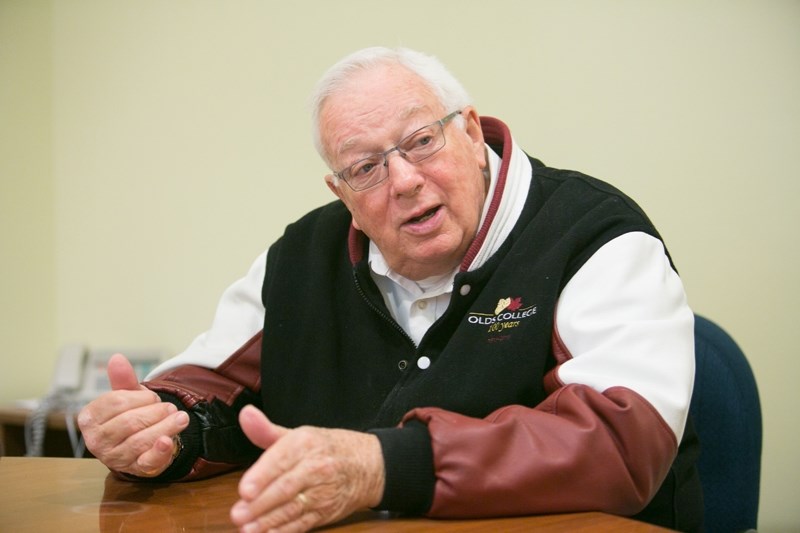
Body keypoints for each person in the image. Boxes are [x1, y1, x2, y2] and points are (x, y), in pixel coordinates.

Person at [77, 46, 702, 532]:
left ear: (472, 133)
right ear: (341, 193)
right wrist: (157, 433)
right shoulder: (300, 260)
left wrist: (383, 467)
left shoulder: (594, 238)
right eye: (365, 168)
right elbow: (208, 391)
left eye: (422, 141)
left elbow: (620, 443)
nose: (402, 180)